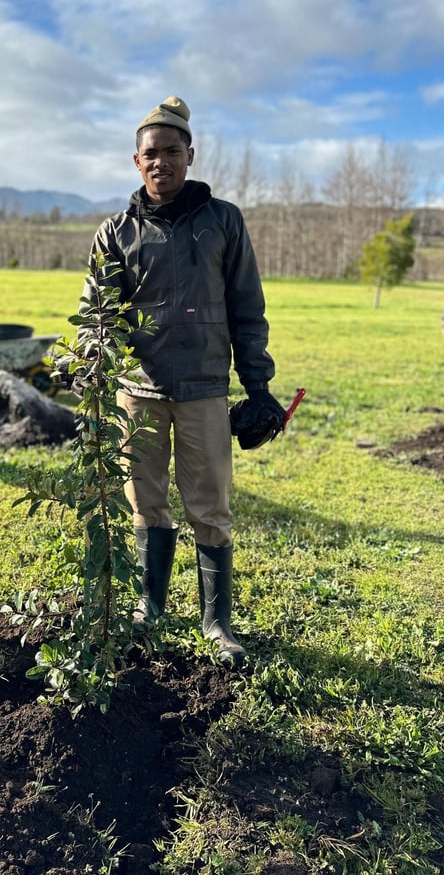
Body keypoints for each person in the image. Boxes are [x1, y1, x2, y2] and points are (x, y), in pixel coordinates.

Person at [82, 96, 284, 666]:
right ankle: (151, 609)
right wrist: (92, 373)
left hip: (203, 391)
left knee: (209, 507)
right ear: (135, 161)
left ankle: (216, 624)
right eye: (151, 153)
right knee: (146, 505)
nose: (161, 161)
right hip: (137, 393)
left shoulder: (224, 221)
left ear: (190, 155)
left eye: (172, 151)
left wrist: (259, 385)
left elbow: (247, 306)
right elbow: (96, 312)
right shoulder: (115, 232)